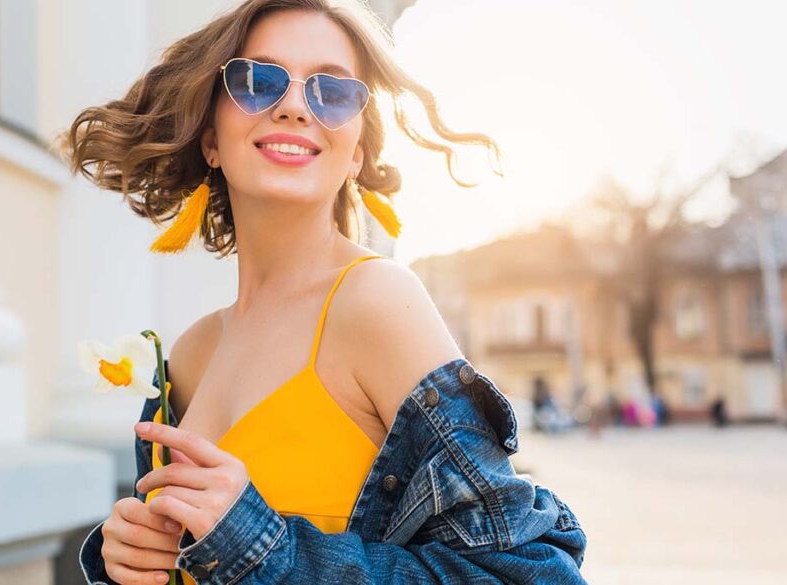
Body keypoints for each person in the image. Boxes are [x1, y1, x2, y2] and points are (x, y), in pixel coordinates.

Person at [60, 1, 587, 583]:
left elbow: (532, 575)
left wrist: (261, 546)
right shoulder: (188, 354)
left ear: (356, 152)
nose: (292, 107)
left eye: (332, 91)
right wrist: (128, 561)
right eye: (258, 81)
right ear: (211, 138)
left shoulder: (376, 303)